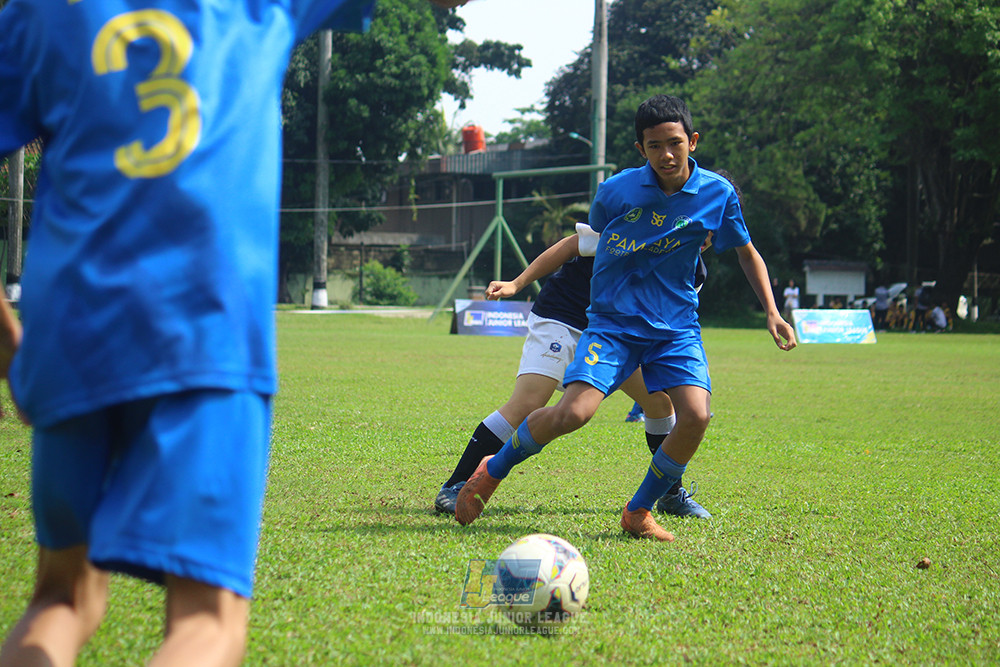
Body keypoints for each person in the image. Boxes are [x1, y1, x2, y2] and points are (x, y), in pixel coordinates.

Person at [0, 1, 471, 665]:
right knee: (206, 623)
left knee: (62, 599)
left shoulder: (41, 10)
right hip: (204, 333)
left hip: (68, 338)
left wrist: (13, 351)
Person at [454, 94, 796, 540]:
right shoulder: (616, 192)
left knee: (695, 415)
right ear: (641, 149)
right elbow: (582, 243)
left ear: (693, 141)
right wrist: (518, 283)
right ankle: (493, 468)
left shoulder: (718, 194)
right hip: (612, 327)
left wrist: (772, 311)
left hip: (675, 331)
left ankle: (640, 510)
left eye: (675, 143)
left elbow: (747, 253)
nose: (666, 154)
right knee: (573, 414)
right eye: (655, 146)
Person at [434, 223, 712, 520]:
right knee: (529, 402)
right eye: (703, 226)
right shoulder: (635, 226)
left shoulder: (693, 272)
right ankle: (455, 485)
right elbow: (570, 245)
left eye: (713, 233)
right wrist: (516, 283)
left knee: (659, 402)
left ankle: (670, 494)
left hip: (614, 338)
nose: (706, 237)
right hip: (564, 317)